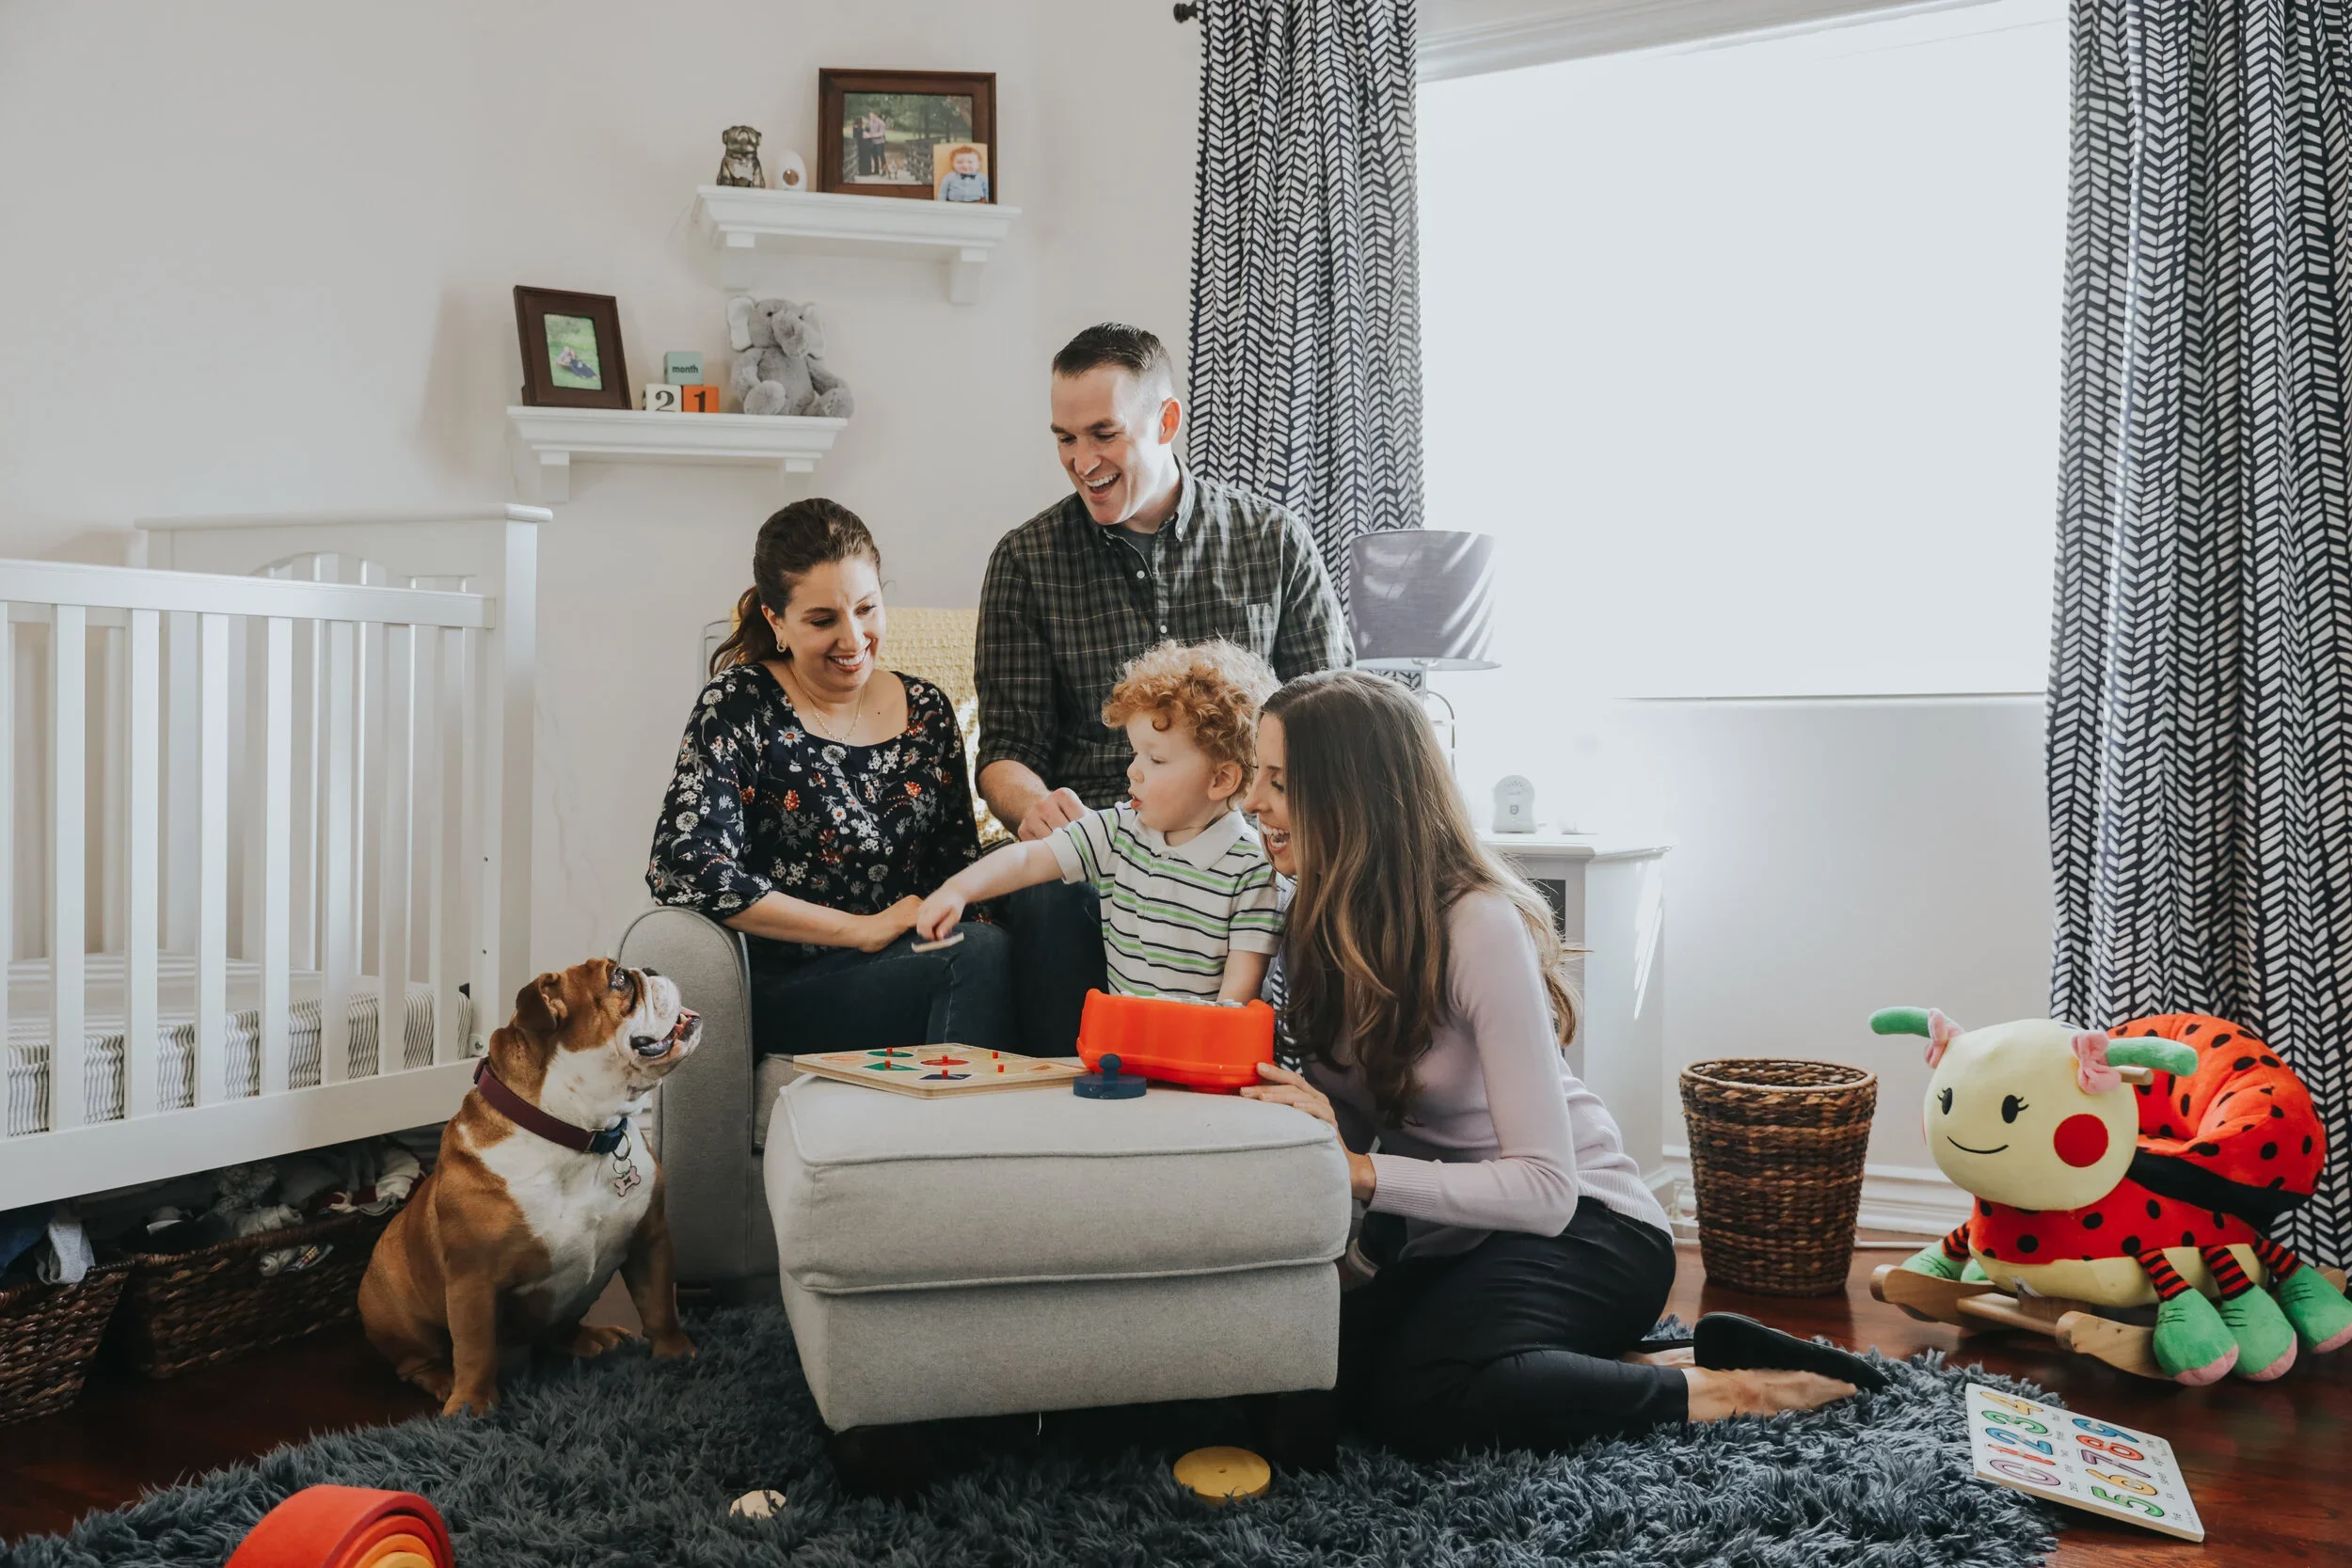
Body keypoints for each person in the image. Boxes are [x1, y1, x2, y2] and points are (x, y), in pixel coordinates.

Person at [1237, 670, 1882, 1455]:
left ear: (1354, 797)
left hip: (1589, 1224)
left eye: (1279, 782)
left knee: (1423, 1396)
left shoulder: (1476, 923)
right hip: (1458, 1237)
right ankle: (1675, 1355)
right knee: (1314, 1385)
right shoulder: (1309, 921)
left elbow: (1545, 1188)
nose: (1253, 801)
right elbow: (1351, 1123)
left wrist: (1364, 1172)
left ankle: (1733, 1390)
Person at [976, 323, 1351, 1052]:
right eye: (1064, 439)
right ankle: (1073, 1098)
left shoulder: (1272, 540)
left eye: (1104, 434)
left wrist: (1291, 834)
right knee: (1052, 899)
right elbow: (1005, 753)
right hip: (1104, 845)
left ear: (1166, 420)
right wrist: (1036, 804)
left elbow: (1332, 725)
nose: (1082, 461)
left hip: (1247, 835)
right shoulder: (1025, 560)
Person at [645, 499, 1013, 1059]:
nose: (854, 638)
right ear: (777, 621)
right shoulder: (740, 704)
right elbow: (684, 865)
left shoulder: (927, 709)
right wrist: (857, 930)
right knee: (977, 954)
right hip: (795, 989)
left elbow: (954, 863)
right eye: (823, 621)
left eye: (867, 609)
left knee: (1005, 938)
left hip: (914, 963)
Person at [917, 640, 1282, 1004]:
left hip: (1204, 1038)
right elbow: (1027, 859)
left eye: (1155, 760)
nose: (1133, 771)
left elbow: (1236, 1002)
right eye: (1135, 753)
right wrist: (958, 890)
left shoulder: (1253, 871)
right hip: (1125, 1034)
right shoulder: (1119, 831)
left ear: (1221, 780)